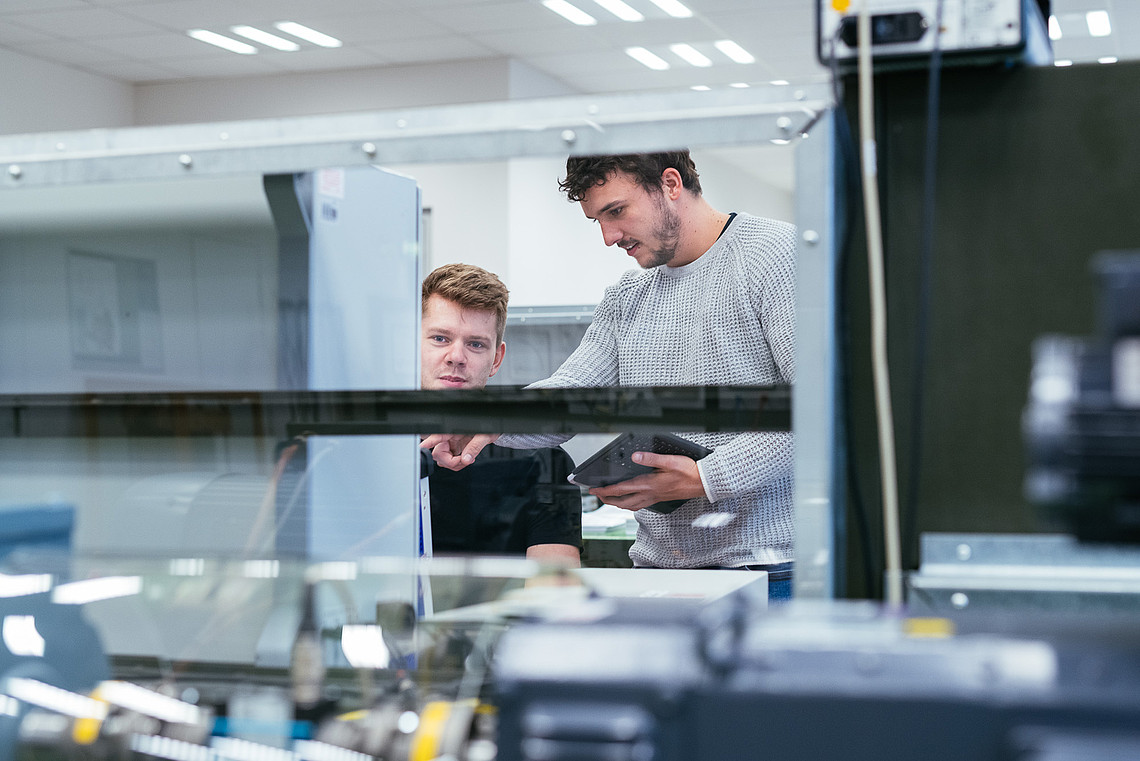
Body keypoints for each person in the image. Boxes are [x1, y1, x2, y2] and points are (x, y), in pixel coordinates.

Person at [421, 151, 795, 598]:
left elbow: (826, 408)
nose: (608, 236)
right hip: (659, 571)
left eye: (616, 212)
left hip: (768, 571)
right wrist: (487, 424)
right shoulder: (627, 296)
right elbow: (568, 398)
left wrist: (706, 478)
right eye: (597, 219)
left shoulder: (776, 258)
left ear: (671, 184)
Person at [420, 263, 582, 565]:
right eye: (440, 338)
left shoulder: (543, 460)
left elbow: (554, 589)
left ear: (496, 359)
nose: (456, 357)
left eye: (475, 344)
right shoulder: (380, 453)